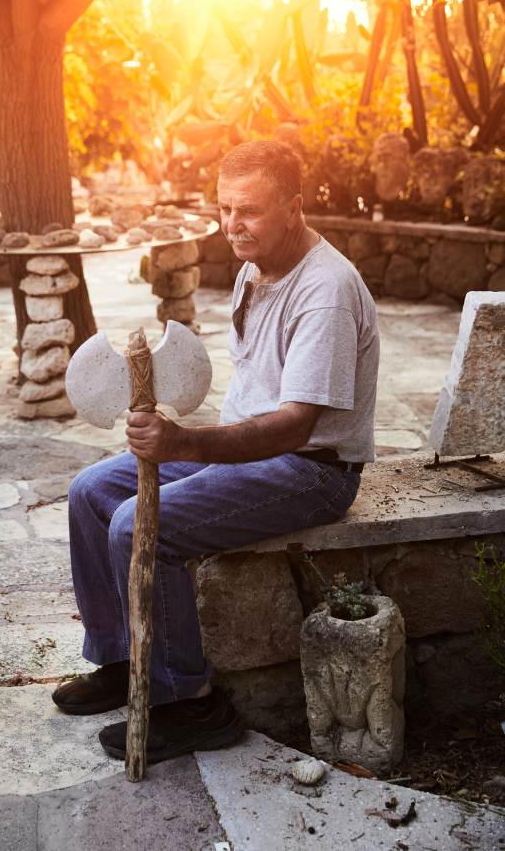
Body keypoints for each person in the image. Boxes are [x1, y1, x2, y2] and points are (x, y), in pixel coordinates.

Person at [52, 139, 380, 764]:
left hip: (311, 470)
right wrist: (192, 445)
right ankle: (125, 660)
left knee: (141, 524)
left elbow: (293, 427)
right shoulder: (254, 267)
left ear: (294, 206)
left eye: (249, 210)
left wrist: (183, 441)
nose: (233, 225)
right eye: (225, 208)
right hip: (249, 451)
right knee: (91, 493)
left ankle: (194, 703)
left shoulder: (327, 289)